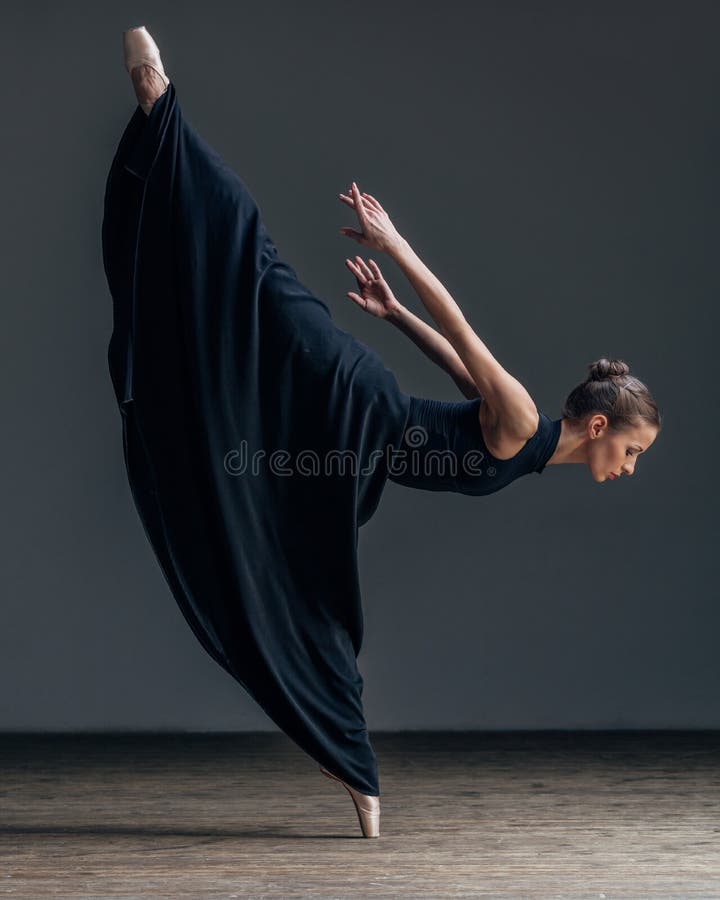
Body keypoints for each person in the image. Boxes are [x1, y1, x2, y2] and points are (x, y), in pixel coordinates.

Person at [103, 27, 660, 839]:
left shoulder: (527, 440)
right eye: (632, 451)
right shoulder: (523, 420)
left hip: (354, 434)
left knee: (312, 583)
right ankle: (160, 100)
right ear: (600, 425)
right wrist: (394, 244)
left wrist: (392, 313)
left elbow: (453, 365)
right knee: (257, 272)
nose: (630, 466)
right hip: (352, 405)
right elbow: (463, 328)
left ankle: (350, 766)